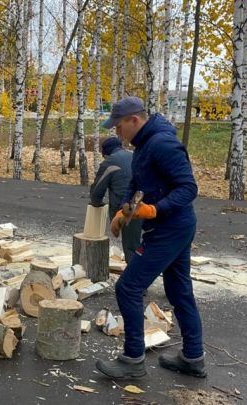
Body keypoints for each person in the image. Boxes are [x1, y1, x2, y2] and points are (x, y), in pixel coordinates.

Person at [95, 96, 205, 379]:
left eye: (119, 126)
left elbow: (188, 187)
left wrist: (156, 209)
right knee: (179, 291)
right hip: (172, 227)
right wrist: (124, 210)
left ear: (135, 120)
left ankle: (132, 360)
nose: (118, 133)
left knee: (128, 288)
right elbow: (137, 181)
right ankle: (193, 358)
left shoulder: (162, 144)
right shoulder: (144, 145)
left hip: (170, 228)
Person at [89, 136, 142, 263]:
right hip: (147, 202)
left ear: (105, 153)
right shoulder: (135, 156)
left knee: (131, 245)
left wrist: (96, 203)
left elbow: (97, 189)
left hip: (127, 207)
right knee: (147, 240)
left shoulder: (109, 162)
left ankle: (133, 276)